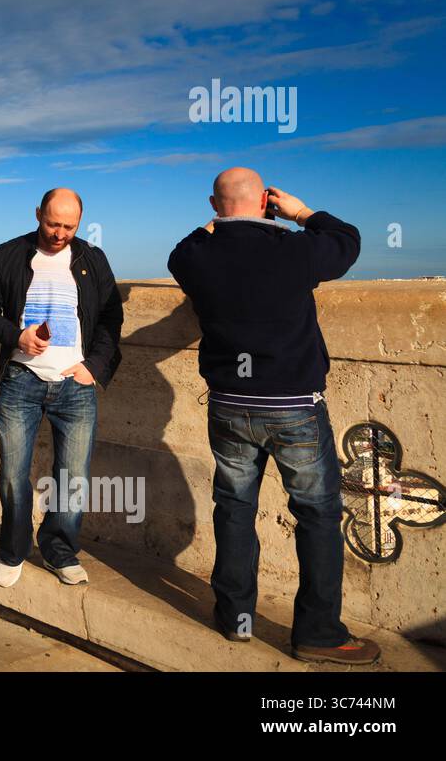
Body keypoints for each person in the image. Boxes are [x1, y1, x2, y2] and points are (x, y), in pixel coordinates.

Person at [167, 167, 378, 665]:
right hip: (293, 407)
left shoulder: (196, 255)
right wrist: (301, 212)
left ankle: (235, 617)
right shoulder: (296, 251)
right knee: (317, 516)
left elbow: (180, 251)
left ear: (214, 206)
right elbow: (347, 240)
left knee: (235, 509)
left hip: (229, 406)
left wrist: (220, 220)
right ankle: (319, 634)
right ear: (266, 200)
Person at [0, 188, 123, 588]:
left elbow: (110, 317)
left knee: (73, 475)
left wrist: (95, 367)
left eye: (69, 227)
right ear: (37, 214)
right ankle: (13, 549)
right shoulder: (6, 255)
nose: (59, 233)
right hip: (21, 379)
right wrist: (17, 336)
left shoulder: (92, 258)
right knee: (12, 474)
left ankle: (59, 550)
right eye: (52, 224)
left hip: (75, 383)